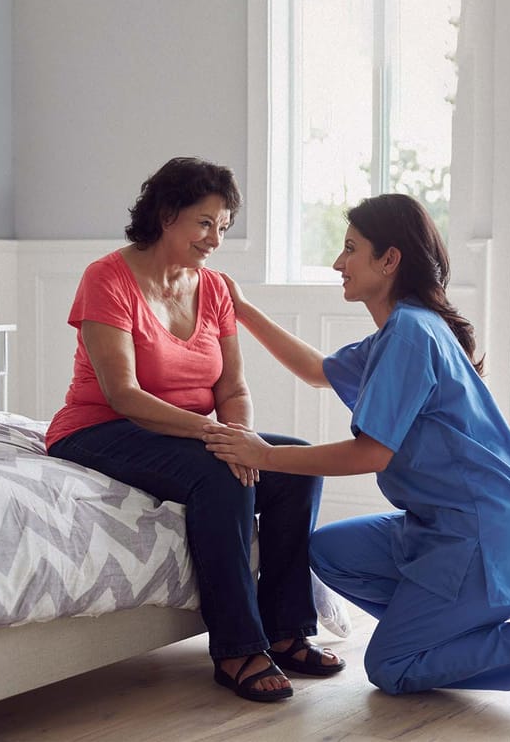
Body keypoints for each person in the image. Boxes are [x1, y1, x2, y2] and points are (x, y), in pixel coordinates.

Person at [202, 193, 510, 707]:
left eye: (350, 249)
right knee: (329, 551)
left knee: (390, 665)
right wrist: (240, 309)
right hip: (446, 528)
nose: (338, 263)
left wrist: (265, 455)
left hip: (484, 535)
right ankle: (440, 627)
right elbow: (316, 370)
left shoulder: (411, 335)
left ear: (389, 260)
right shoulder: (402, 330)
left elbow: (371, 454)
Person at [46, 157, 344, 703]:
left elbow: (232, 390)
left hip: (185, 432)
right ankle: (236, 648)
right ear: (166, 215)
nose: (215, 239)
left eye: (224, 227)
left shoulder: (214, 289)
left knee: (294, 464)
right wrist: (216, 439)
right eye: (205, 223)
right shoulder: (106, 278)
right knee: (220, 475)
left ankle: (286, 629)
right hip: (99, 429)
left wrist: (245, 439)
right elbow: (124, 395)